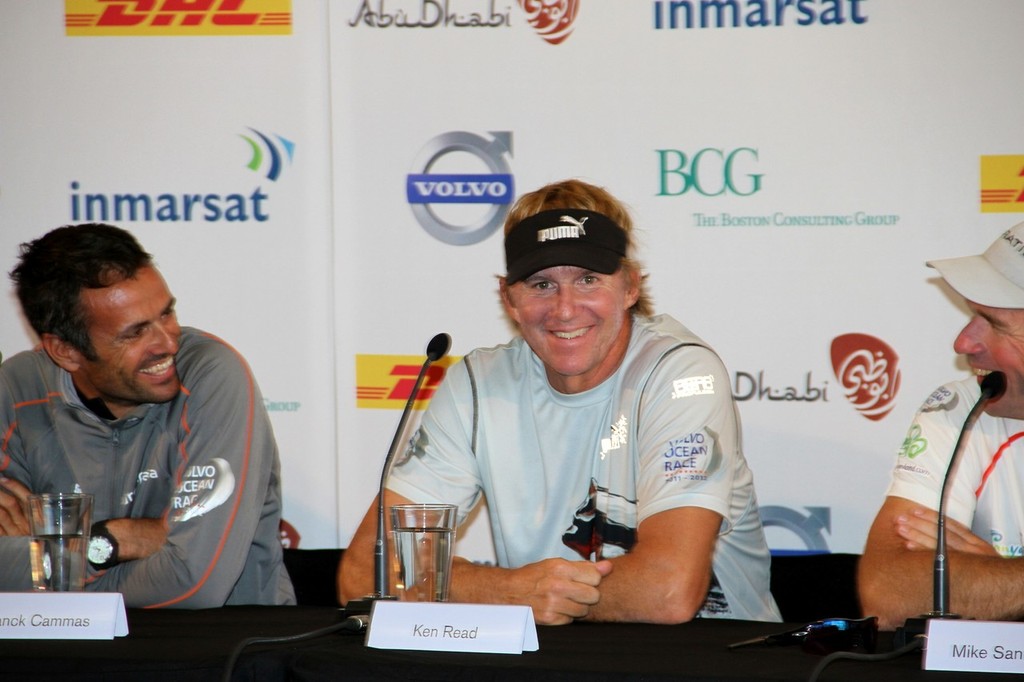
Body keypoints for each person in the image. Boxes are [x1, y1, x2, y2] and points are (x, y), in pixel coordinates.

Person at [338, 179, 780, 625]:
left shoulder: (682, 374)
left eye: (588, 279)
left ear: (631, 286)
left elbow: (667, 591)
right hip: (551, 657)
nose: (565, 309)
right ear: (508, 297)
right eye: (541, 284)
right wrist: (509, 591)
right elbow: (362, 573)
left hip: (704, 657)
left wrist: (500, 591)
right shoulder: (476, 383)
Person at [0, 223, 295, 607]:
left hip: (220, 651)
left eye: (167, 313)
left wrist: (61, 562)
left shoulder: (210, 373)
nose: (168, 342)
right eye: (135, 333)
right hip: (65, 653)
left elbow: (196, 583)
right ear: (66, 351)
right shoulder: (17, 389)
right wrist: (115, 539)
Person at [859, 221, 1024, 629]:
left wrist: (999, 579)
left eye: (994, 323)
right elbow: (888, 593)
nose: (963, 343)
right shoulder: (962, 405)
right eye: (973, 316)